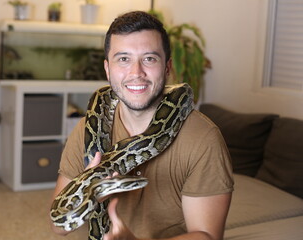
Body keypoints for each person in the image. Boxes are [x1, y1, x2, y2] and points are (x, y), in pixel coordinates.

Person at [50, 10, 234, 240]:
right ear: (107, 69)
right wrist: (87, 188)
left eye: (149, 58)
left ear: (167, 68)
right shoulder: (85, 129)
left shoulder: (203, 139)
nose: (136, 73)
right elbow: (58, 225)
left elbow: (207, 236)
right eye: (124, 59)